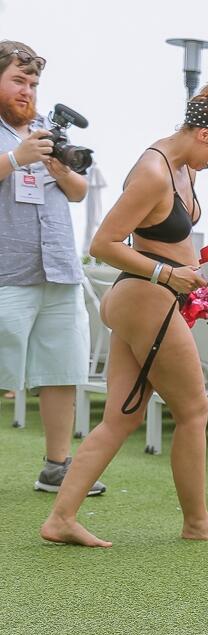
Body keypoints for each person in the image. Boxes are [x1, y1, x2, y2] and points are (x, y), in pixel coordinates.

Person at [38, 82, 208, 547]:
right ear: (203, 134)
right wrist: (168, 274)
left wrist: (195, 271)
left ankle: (61, 519)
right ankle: (197, 522)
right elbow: (103, 244)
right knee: (194, 409)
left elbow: (168, 239)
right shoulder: (155, 171)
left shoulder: (183, 167)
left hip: (148, 298)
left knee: (122, 416)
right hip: (146, 297)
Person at [0, 41, 99, 495]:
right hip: (7, 271)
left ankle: (56, 467)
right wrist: (16, 158)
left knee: (62, 370)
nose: (28, 91)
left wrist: (59, 167)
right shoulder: (21, 142)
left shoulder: (46, 130)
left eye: (34, 83)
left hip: (58, 268)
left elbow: (78, 191)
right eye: (18, 81)